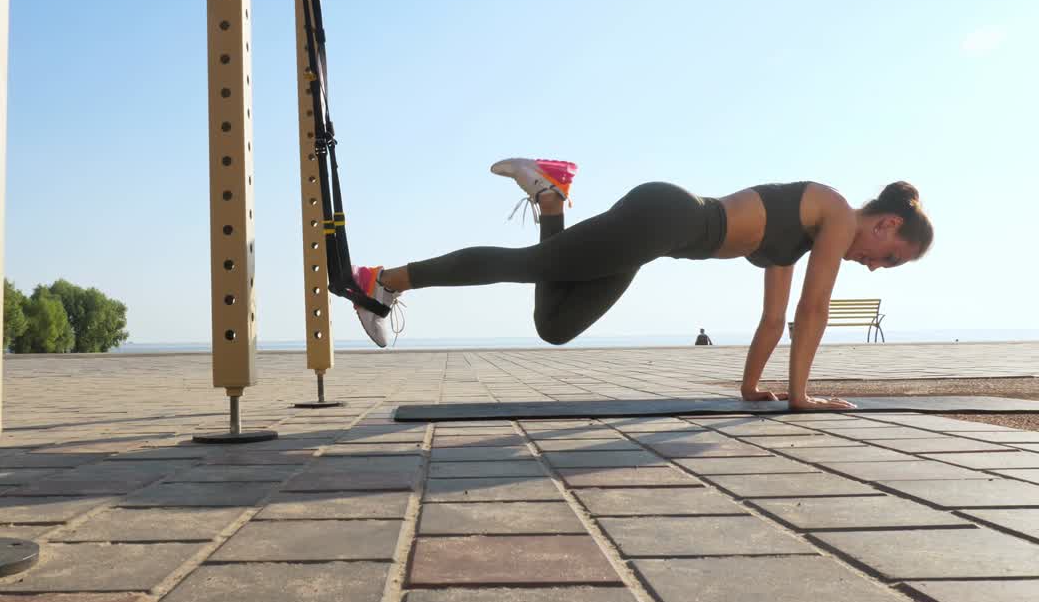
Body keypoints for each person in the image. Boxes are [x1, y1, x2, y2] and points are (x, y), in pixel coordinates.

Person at [349, 158, 934, 412]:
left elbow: (776, 320)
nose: (877, 266)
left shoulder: (801, 235)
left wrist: (753, 388)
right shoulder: (832, 211)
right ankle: (384, 279)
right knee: (529, 265)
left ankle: (551, 193)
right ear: (885, 224)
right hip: (664, 217)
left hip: (655, 239)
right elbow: (815, 311)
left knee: (554, 326)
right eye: (891, 257)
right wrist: (802, 398)